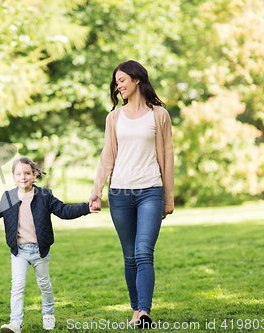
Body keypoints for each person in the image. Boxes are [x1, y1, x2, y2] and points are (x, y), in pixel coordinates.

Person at [0, 157, 97, 333]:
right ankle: (15, 323)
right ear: (13, 177)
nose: (23, 177)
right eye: (19, 174)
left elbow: (64, 211)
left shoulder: (44, 196)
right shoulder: (8, 197)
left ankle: (48, 314)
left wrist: (87, 207)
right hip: (19, 251)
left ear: (34, 175)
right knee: (17, 286)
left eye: (27, 173)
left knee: (44, 284)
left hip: (39, 251)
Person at [88, 60, 174, 328]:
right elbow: (107, 156)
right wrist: (96, 191)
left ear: (137, 80)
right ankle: (136, 310)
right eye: (116, 82)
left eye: (122, 80)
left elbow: (168, 157)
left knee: (143, 251)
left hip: (151, 190)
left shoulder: (159, 115)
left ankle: (145, 311)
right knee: (129, 255)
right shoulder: (114, 117)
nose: (119, 85)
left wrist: (168, 198)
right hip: (120, 194)